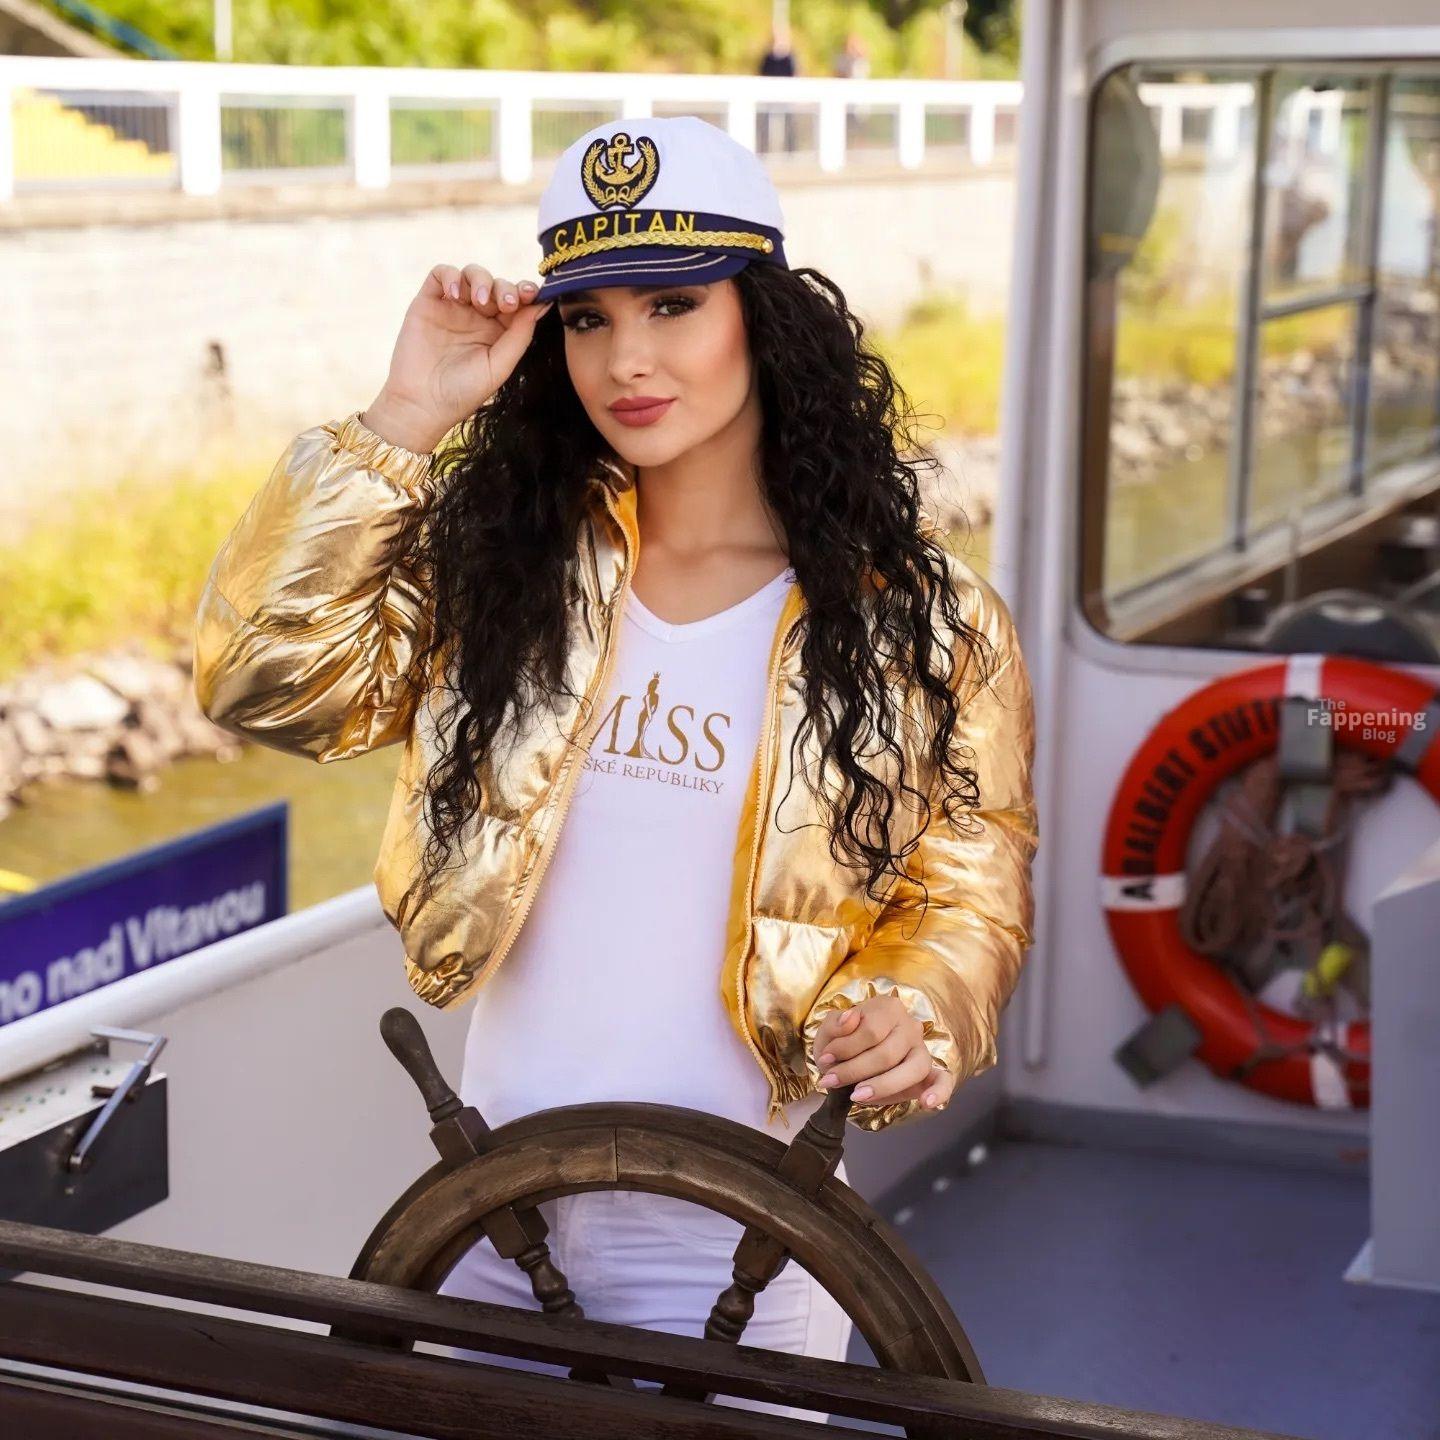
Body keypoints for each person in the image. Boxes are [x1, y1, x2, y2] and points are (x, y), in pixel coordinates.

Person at [192, 115, 1038, 1421]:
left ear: (762, 317)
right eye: (587, 318)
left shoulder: (921, 620)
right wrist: (406, 416)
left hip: (753, 1237)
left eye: (673, 305)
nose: (626, 359)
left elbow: (974, 883)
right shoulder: (503, 577)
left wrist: (918, 1007)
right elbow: (261, 679)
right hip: (490, 1208)